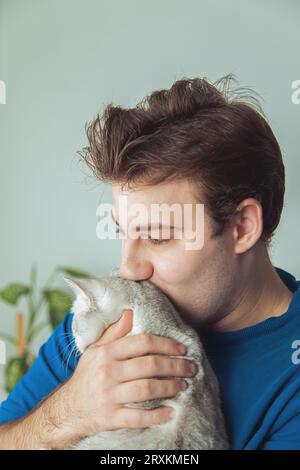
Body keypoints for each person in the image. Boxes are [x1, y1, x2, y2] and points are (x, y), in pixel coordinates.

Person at [0, 75, 299, 450]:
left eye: (158, 236)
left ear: (242, 227)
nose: (128, 269)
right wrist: (66, 415)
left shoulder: (291, 379)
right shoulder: (103, 322)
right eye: (122, 232)